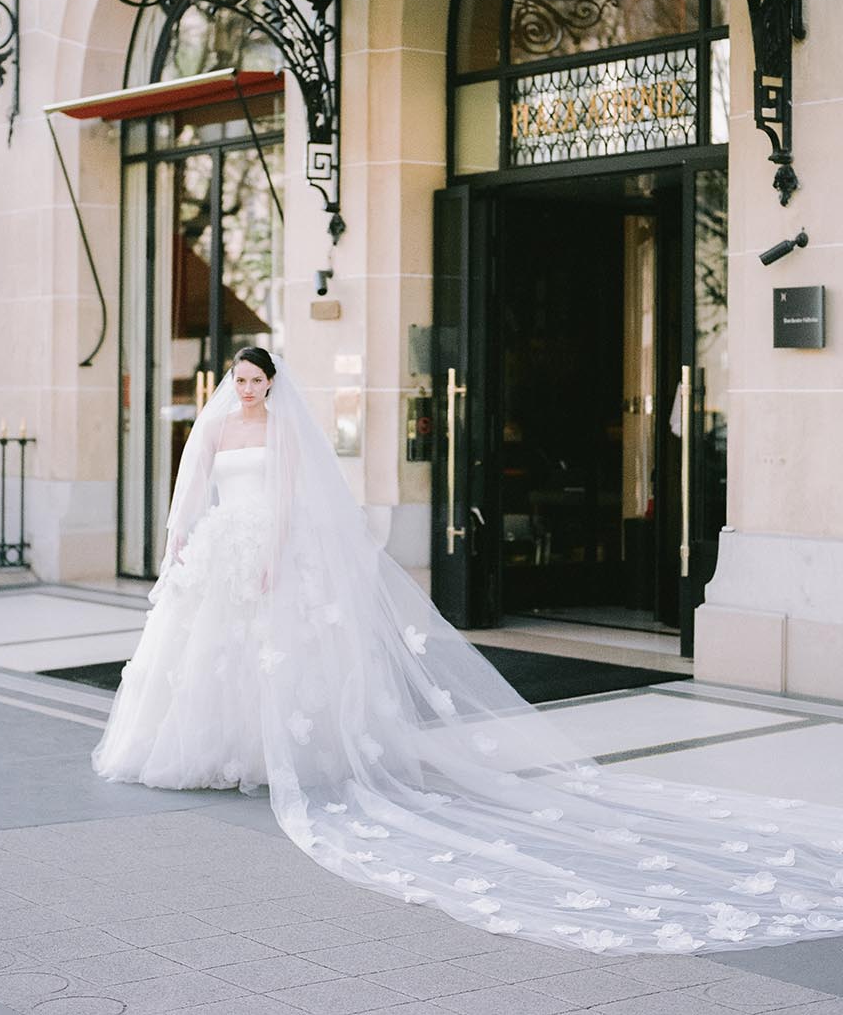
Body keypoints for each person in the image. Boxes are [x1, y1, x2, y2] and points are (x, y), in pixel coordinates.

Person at [94, 349, 843, 955]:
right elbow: (192, 492)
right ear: (231, 382)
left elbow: (289, 498)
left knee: (276, 655)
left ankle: (272, 752)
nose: (249, 390)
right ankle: (224, 749)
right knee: (210, 657)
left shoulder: (283, 431)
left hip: (268, 551)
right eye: (241, 380)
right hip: (223, 545)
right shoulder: (217, 428)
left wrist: (273, 555)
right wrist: (181, 539)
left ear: (273, 384)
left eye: (258, 381)